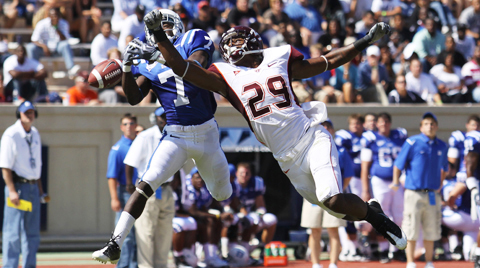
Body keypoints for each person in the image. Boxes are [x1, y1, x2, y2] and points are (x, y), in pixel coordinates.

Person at [144, 10, 407, 254]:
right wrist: (158, 35)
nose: (231, 46)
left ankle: (379, 221)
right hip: (285, 159)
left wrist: (365, 41)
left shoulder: (278, 58)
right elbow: (182, 68)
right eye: (229, 43)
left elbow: (328, 61)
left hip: (311, 138)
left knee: (334, 198)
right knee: (334, 208)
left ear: (253, 41)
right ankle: (372, 210)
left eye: (237, 41)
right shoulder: (224, 75)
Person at [92, 9, 232, 264]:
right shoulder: (147, 62)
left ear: (178, 25)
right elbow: (134, 98)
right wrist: (126, 66)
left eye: (168, 25)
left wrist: (158, 53)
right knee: (145, 184)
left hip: (206, 132)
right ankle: (115, 243)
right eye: (160, 27)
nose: (165, 30)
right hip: (175, 135)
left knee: (222, 193)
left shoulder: (194, 38)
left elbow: (195, 66)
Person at [391, 112, 448, 268]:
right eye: (427, 124)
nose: (430, 126)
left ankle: (429, 262)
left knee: (432, 229)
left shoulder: (442, 146)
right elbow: (398, 164)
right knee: (411, 227)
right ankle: (410, 262)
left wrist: (439, 185)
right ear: (421, 127)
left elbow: (445, 168)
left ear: (436, 126)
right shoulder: (412, 142)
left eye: (432, 124)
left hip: (432, 194)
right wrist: (396, 182)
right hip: (413, 193)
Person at [124, 107, 174, 268]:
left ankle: (161, 266)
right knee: (145, 233)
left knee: (164, 235)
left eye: (167, 115)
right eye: (161, 116)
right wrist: (131, 186)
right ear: (155, 118)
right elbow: (130, 162)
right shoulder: (145, 136)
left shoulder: (174, 135)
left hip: (166, 189)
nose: (164, 119)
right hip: (148, 190)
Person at [1, 101, 49, 268]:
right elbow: (5, 166)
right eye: (25, 112)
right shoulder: (11, 134)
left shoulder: (35, 133)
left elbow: (36, 167)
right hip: (18, 188)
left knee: (32, 233)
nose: (29, 115)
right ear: (18, 114)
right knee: (12, 232)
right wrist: (12, 191)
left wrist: (40, 190)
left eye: (32, 112)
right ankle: (10, 266)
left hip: (32, 188)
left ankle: (29, 265)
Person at [301, 119, 353, 268]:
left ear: (332, 130)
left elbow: (348, 174)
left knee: (333, 229)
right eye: (321, 126)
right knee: (314, 230)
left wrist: (338, 189)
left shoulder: (341, 151)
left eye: (328, 126)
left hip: (334, 195)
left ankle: (333, 264)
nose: (325, 129)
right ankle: (316, 264)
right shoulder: (308, 149)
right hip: (313, 195)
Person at [360, 112, 407, 263]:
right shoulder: (370, 138)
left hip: (396, 181)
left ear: (390, 123)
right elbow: (365, 166)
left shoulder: (399, 136)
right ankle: (383, 250)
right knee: (382, 216)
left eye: (386, 122)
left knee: (399, 216)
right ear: (377, 124)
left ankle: (395, 250)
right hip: (379, 180)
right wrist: (365, 189)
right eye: (381, 122)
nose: (384, 125)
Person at [106, 113, 139, 268]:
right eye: (125, 124)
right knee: (125, 234)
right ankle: (124, 266)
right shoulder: (118, 149)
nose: (129, 127)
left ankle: (135, 264)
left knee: (139, 235)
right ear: (121, 127)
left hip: (141, 193)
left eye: (131, 123)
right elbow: (111, 176)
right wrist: (114, 198)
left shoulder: (140, 144)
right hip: (125, 193)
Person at [26, 8, 81, 79]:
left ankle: (71, 68)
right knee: (30, 47)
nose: (55, 17)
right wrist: (44, 47)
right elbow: (34, 39)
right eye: (53, 15)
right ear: (49, 16)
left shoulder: (64, 23)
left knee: (65, 45)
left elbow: (65, 39)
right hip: (43, 49)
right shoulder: (42, 24)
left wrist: (56, 28)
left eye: (57, 15)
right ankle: (33, 69)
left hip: (57, 48)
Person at [235, 162, 277, 248]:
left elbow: (260, 204)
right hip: (236, 217)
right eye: (241, 173)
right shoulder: (232, 184)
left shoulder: (256, 183)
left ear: (250, 174)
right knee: (249, 220)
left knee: (271, 219)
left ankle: (264, 248)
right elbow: (234, 203)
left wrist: (260, 213)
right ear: (236, 174)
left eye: (247, 173)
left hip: (250, 217)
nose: (244, 175)